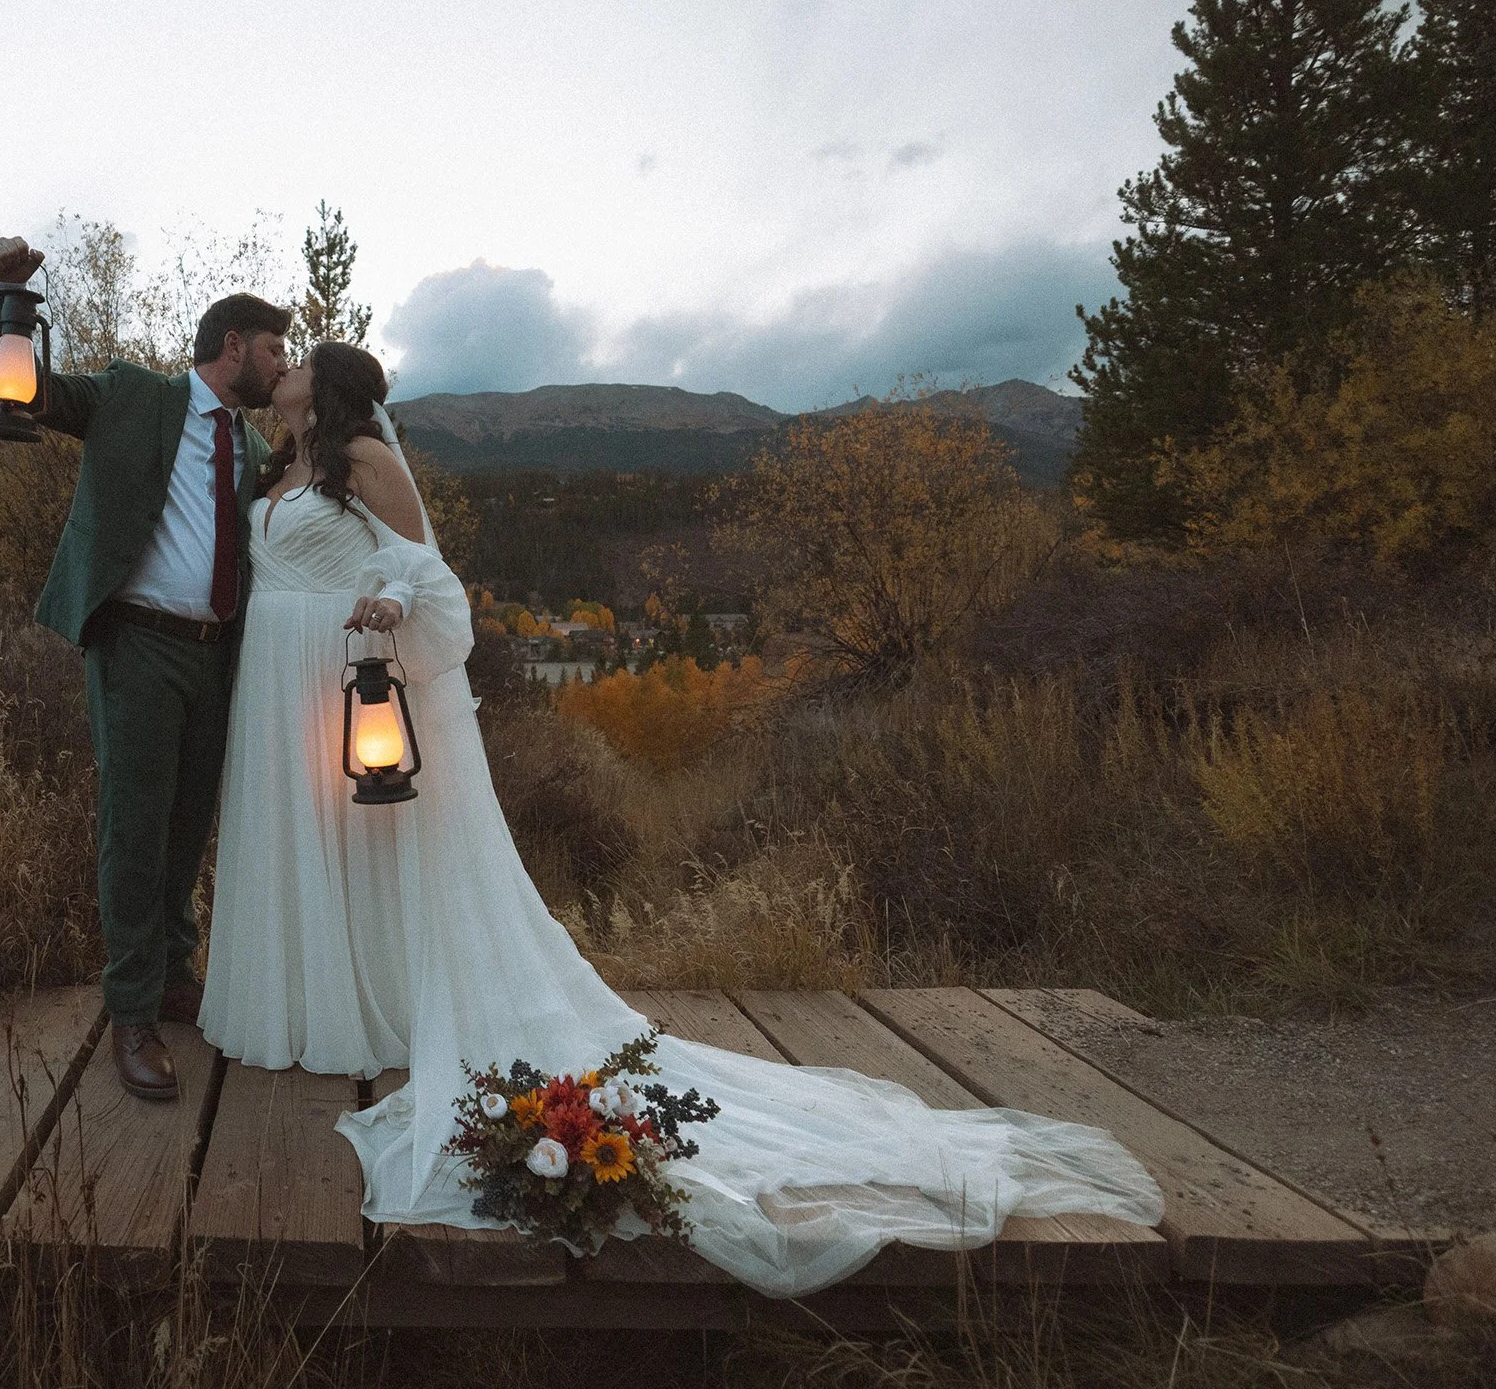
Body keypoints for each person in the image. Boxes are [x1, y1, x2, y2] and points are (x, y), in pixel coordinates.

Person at [201, 339, 1166, 1298]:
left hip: (338, 669)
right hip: (275, 684)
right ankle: (314, 1000)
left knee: (367, 847)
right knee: (308, 846)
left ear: (324, 390)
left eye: (297, 359)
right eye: (276, 354)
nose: (281, 365)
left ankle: (378, 1003)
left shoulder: (366, 459)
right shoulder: (283, 465)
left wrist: (390, 596)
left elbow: (431, 574)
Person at [0, 235, 285, 1102]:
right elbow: (32, 392)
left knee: (188, 824)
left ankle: (173, 974)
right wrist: (3, 297)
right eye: (273, 350)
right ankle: (132, 1011)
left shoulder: (253, 448)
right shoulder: (137, 397)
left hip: (219, 656)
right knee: (134, 825)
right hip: (140, 645)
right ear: (232, 347)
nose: (279, 365)